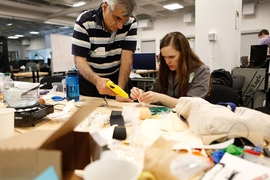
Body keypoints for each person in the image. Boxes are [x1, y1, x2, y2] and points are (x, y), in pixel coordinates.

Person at [72, 0, 137, 102]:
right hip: (90, 78)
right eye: (117, 18)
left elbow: (126, 59)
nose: (120, 26)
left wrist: (120, 90)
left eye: (124, 21)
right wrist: (97, 80)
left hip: (117, 78)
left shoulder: (131, 22)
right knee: (90, 114)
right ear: (105, 7)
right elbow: (79, 59)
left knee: (121, 113)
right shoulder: (84, 21)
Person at [130, 31, 211, 108]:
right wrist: (142, 95)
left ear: (184, 53)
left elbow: (192, 104)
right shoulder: (166, 70)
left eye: (172, 57)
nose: (167, 62)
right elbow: (154, 94)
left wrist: (160, 98)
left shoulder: (201, 71)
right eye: (164, 57)